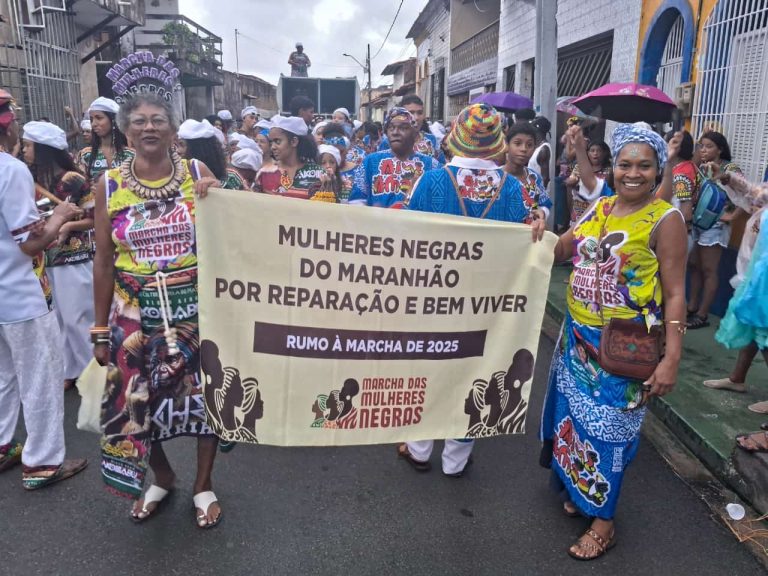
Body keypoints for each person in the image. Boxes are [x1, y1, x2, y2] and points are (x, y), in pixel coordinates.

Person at [539, 123, 686, 560]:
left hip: (627, 349)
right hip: (577, 340)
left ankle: (604, 522)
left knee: (611, 432)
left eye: (644, 165)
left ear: (658, 169)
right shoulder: (600, 208)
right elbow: (561, 249)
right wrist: (536, 231)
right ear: (614, 167)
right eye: (625, 164)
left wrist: (672, 357)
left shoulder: (665, 218)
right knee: (575, 418)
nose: (632, 173)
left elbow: (677, 292)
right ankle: (584, 495)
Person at [92, 92, 223, 527]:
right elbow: (104, 260)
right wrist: (98, 328)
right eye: (140, 121)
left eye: (158, 120)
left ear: (172, 129)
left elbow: (237, 227)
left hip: (197, 307)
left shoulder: (196, 171)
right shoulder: (108, 183)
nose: (149, 127)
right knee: (137, 402)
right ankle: (162, 476)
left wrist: (219, 196)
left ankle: (204, 484)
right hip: (133, 312)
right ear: (126, 131)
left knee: (206, 397)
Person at [398, 103, 546, 476]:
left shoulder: (430, 181)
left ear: (456, 140)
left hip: (433, 300)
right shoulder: (513, 190)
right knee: (474, 374)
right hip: (488, 305)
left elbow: (408, 240)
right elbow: (529, 243)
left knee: (428, 371)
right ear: (497, 143)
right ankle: (455, 459)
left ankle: (418, 449)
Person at [0, 89, 88, 489]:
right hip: (20, 294)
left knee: (3, 376)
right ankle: (42, 462)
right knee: (40, 376)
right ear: (8, 124)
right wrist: (61, 218)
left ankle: (3, 445)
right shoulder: (11, 170)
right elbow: (30, 245)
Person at [21, 121, 95, 391]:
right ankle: (68, 368)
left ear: (43, 149)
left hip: (73, 259)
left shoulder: (72, 180)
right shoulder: (30, 179)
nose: (24, 150)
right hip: (45, 258)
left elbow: (93, 219)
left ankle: (92, 373)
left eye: (28, 146)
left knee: (77, 318)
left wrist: (66, 226)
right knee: (57, 319)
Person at [702, 168, 768, 413]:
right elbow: (753, 196)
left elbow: (754, 192)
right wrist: (730, 180)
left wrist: (731, 178)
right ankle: (737, 378)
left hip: (763, 279)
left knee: (763, 331)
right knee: (751, 325)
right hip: (755, 273)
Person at [687, 131, 743, 329]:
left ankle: (702, 314)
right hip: (698, 222)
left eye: (709, 146)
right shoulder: (700, 168)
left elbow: (744, 194)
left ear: (720, 149)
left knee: (710, 269)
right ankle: (692, 305)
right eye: (701, 146)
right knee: (694, 265)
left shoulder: (729, 168)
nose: (703, 150)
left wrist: (731, 217)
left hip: (717, 225)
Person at [349, 107, 440, 209]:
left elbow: (438, 205)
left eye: (403, 128)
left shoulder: (432, 166)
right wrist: (371, 213)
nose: (395, 132)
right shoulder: (370, 161)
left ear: (414, 134)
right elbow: (356, 200)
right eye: (391, 128)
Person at [255, 115, 330, 201]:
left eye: (278, 141)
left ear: (294, 142)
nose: (273, 147)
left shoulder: (318, 174)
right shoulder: (265, 173)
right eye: (271, 142)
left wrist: (328, 189)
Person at [502, 122, 554, 224]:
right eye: (517, 143)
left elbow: (544, 204)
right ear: (507, 145)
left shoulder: (534, 178)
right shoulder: (496, 177)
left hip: (529, 237)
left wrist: (542, 213)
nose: (524, 149)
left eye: (529, 145)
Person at [79, 97, 133, 190]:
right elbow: (81, 187)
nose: (93, 124)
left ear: (113, 120)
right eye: (92, 119)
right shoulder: (86, 154)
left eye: (99, 118)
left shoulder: (131, 155)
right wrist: (90, 187)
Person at [177, 119, 245, 190]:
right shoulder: (177, 174)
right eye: (177, 145)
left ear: (198, 148)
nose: (177, 151)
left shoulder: (231, 177)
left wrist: (218, 187)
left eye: (182, 145)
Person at [564, 130, 613, 226]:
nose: (595, 153)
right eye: (592, 151)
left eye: (599, 151)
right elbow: (570, 182)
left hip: (597, 214)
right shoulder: (579, 167)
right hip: (578, 211)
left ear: (605, 153)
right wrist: (570, 182)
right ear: (588, 153)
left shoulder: (609, 171)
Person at [378, 95, 442, 160]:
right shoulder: (388, 142)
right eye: (411, 113)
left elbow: (441, 165)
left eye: (420, 113)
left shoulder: (431, 139)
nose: (416, 118)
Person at [321, 123, 358, 202]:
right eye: (333, 155)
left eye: (340, 152)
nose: (338, 158)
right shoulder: (317, 171)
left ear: (347, 150)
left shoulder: (358, 170)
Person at [528, 116, 552, 188]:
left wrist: (538, 197)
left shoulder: (543, 150)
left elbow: (545, 178)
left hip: (537, 195)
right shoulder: (538, 147)